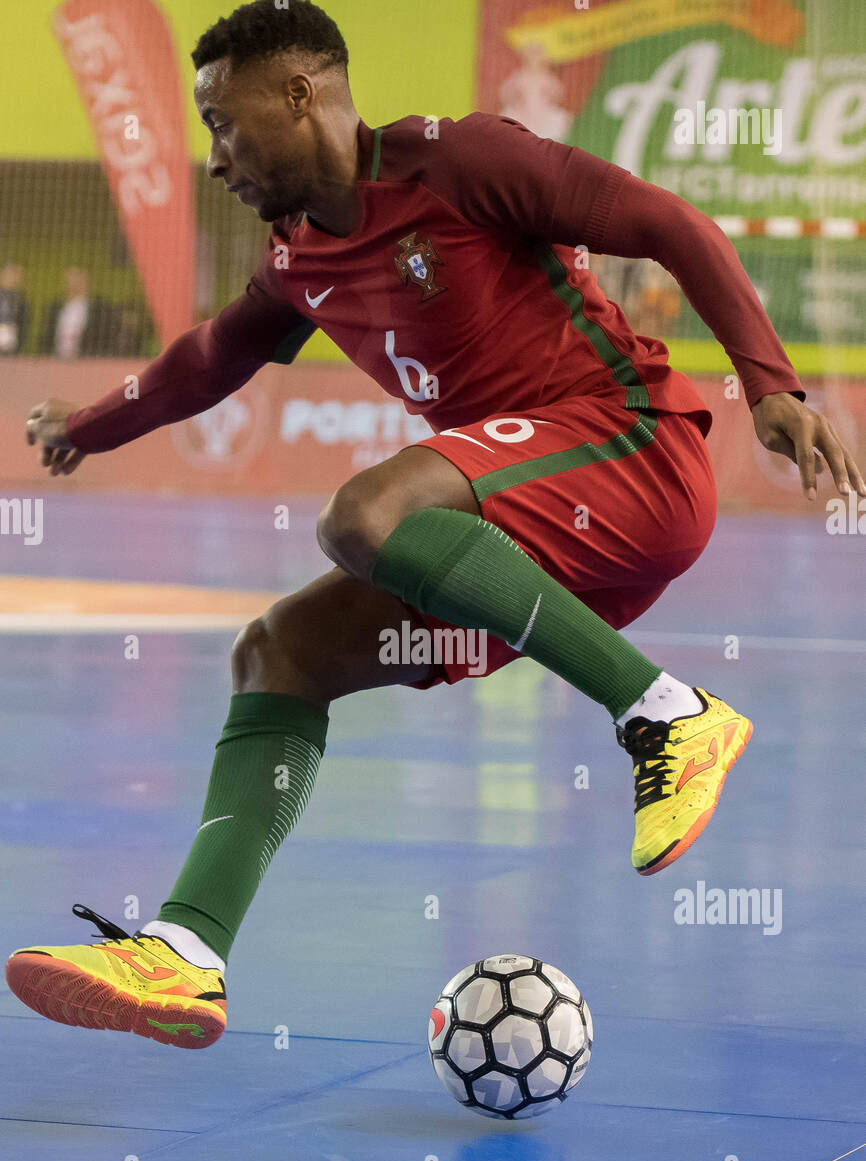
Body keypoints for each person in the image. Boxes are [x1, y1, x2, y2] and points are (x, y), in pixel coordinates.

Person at [9, 0, 862, 1051]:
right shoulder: (298, 261)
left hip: (630, 449)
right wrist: (87, 428)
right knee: (279, 651)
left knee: (366, 513)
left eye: (225, 123)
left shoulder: (456, 163)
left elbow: (665, 224)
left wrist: (768, 384)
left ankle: (666, 714)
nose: (215, 154)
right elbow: (206, 361)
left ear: (300, 94)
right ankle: (187, 955)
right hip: (528, 540)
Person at [0, 264, 30, 355]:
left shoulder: (21, 300)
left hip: (12, 343)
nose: (13, 279)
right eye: (10, 275)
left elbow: (24, 325)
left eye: (16, 275)